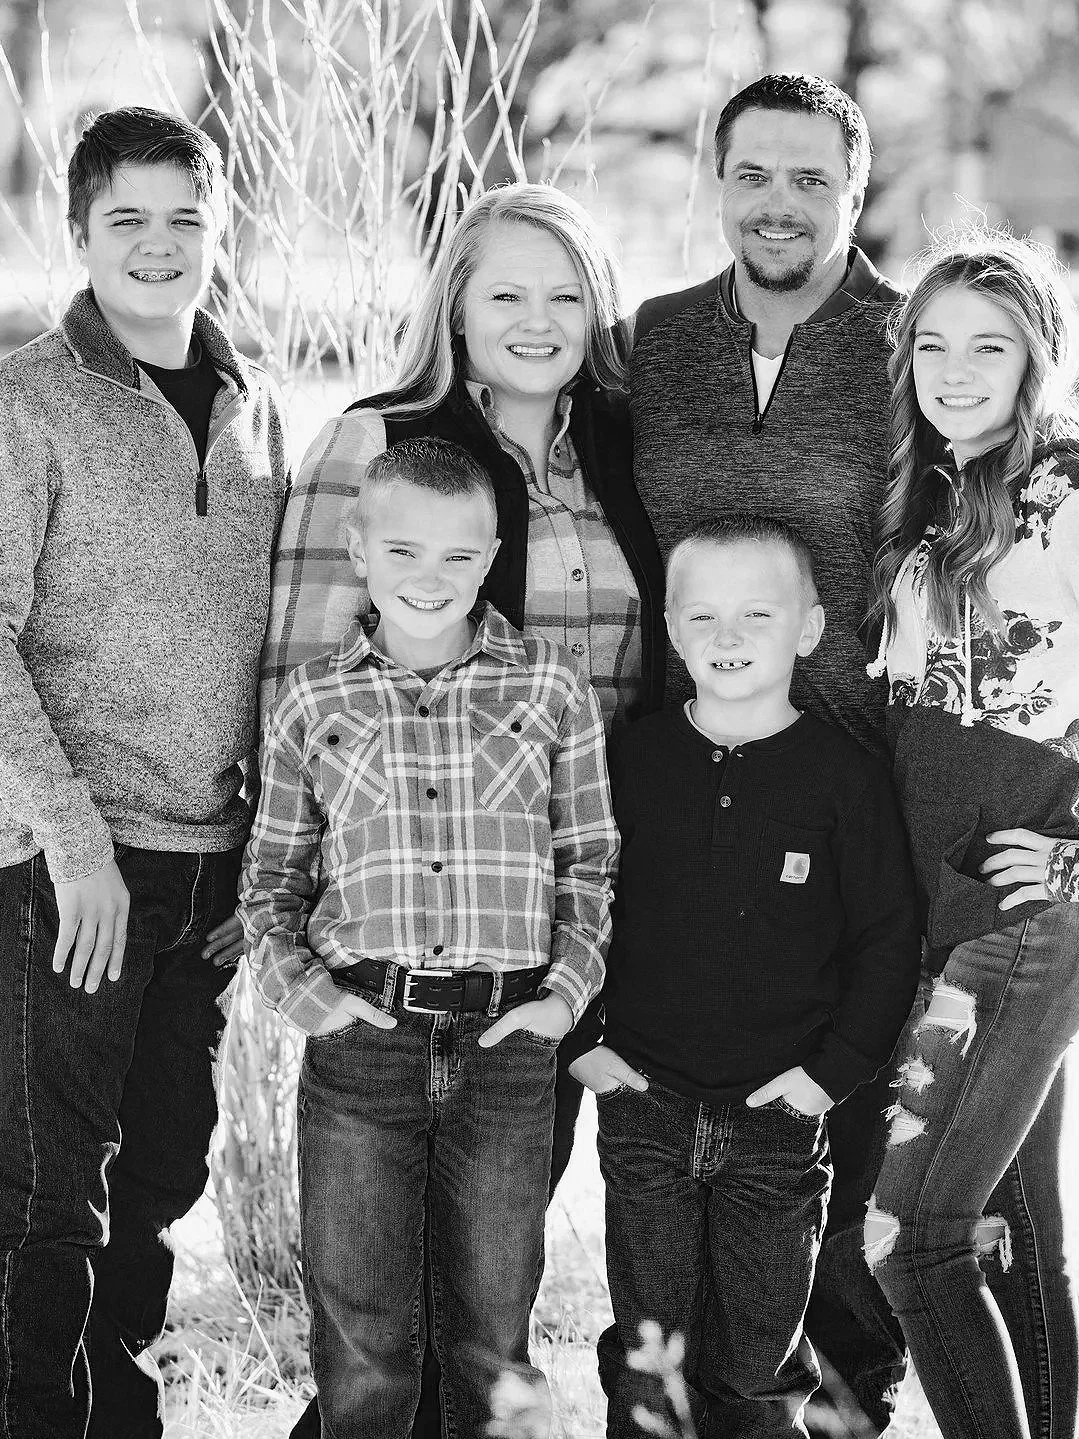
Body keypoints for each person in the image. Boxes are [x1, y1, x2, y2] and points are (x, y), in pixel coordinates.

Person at [265, 181, 663, 1437]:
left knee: (494, 1262)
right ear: (454, 302)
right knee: (378, 1299)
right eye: (504, 292)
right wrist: (283, 941)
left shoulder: (621, 447)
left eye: (563, 295)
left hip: (558, 907)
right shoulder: (378, 442)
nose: (535, 320)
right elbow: (299, 678)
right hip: (388, 917)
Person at [0, 107, 287, 1438]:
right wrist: (73, 846)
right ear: (78, 234)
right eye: (125, 218)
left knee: (156, 1185)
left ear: (217, 229)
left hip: (204, 872)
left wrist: (266, 852)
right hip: (61, 867)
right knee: (44, 1195)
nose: (157, 244)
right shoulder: (24, 401)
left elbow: (271, 644)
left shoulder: (256, 405)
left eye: (184, 218)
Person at [860, 230, 1079, 1439]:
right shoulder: (947, 487)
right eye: (932, 344)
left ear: (1036, 360)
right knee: (1010, 1233)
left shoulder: (1062, 488)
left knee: (909, 1239)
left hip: (1022, 925)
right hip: (963, 907)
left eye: (989, 346)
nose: (955, 370)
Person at [627, 73, 909, 1433]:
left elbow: (1021, 462)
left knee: (840, 1164)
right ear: (716, 178)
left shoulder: (908, 340)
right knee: (683, 1172)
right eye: (752, 173)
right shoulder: (658, 338)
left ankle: (842, 1411)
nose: (778, 202)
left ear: (853, 190)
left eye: (810, 177)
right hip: (689, 782)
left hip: (857, 786)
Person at [240, 437, 619, 1439]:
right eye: (402, 550)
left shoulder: (548, 689)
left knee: (490, 1325)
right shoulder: (313, 701)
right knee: (364, 1331)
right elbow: (271, 880)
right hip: (361, 1041)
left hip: (506, 1046)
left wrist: (563, 994)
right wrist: (307, 995)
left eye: (457, 555)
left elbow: (589, 861)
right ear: (358, 550)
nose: (428, 577)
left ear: (492, 555)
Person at [571, 515, 920, 1438]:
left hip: (778, 1116)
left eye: (756, 616)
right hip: (644, 1102)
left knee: (759, 1362)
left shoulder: (843, 776)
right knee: (650, 1351)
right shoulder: (633, 759)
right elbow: (570, 898)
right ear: (672, 628)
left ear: (806, 628)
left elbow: (886, 937)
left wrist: (828, 1075)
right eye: (704, 617)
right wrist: (581, 1047)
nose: (727, 639)